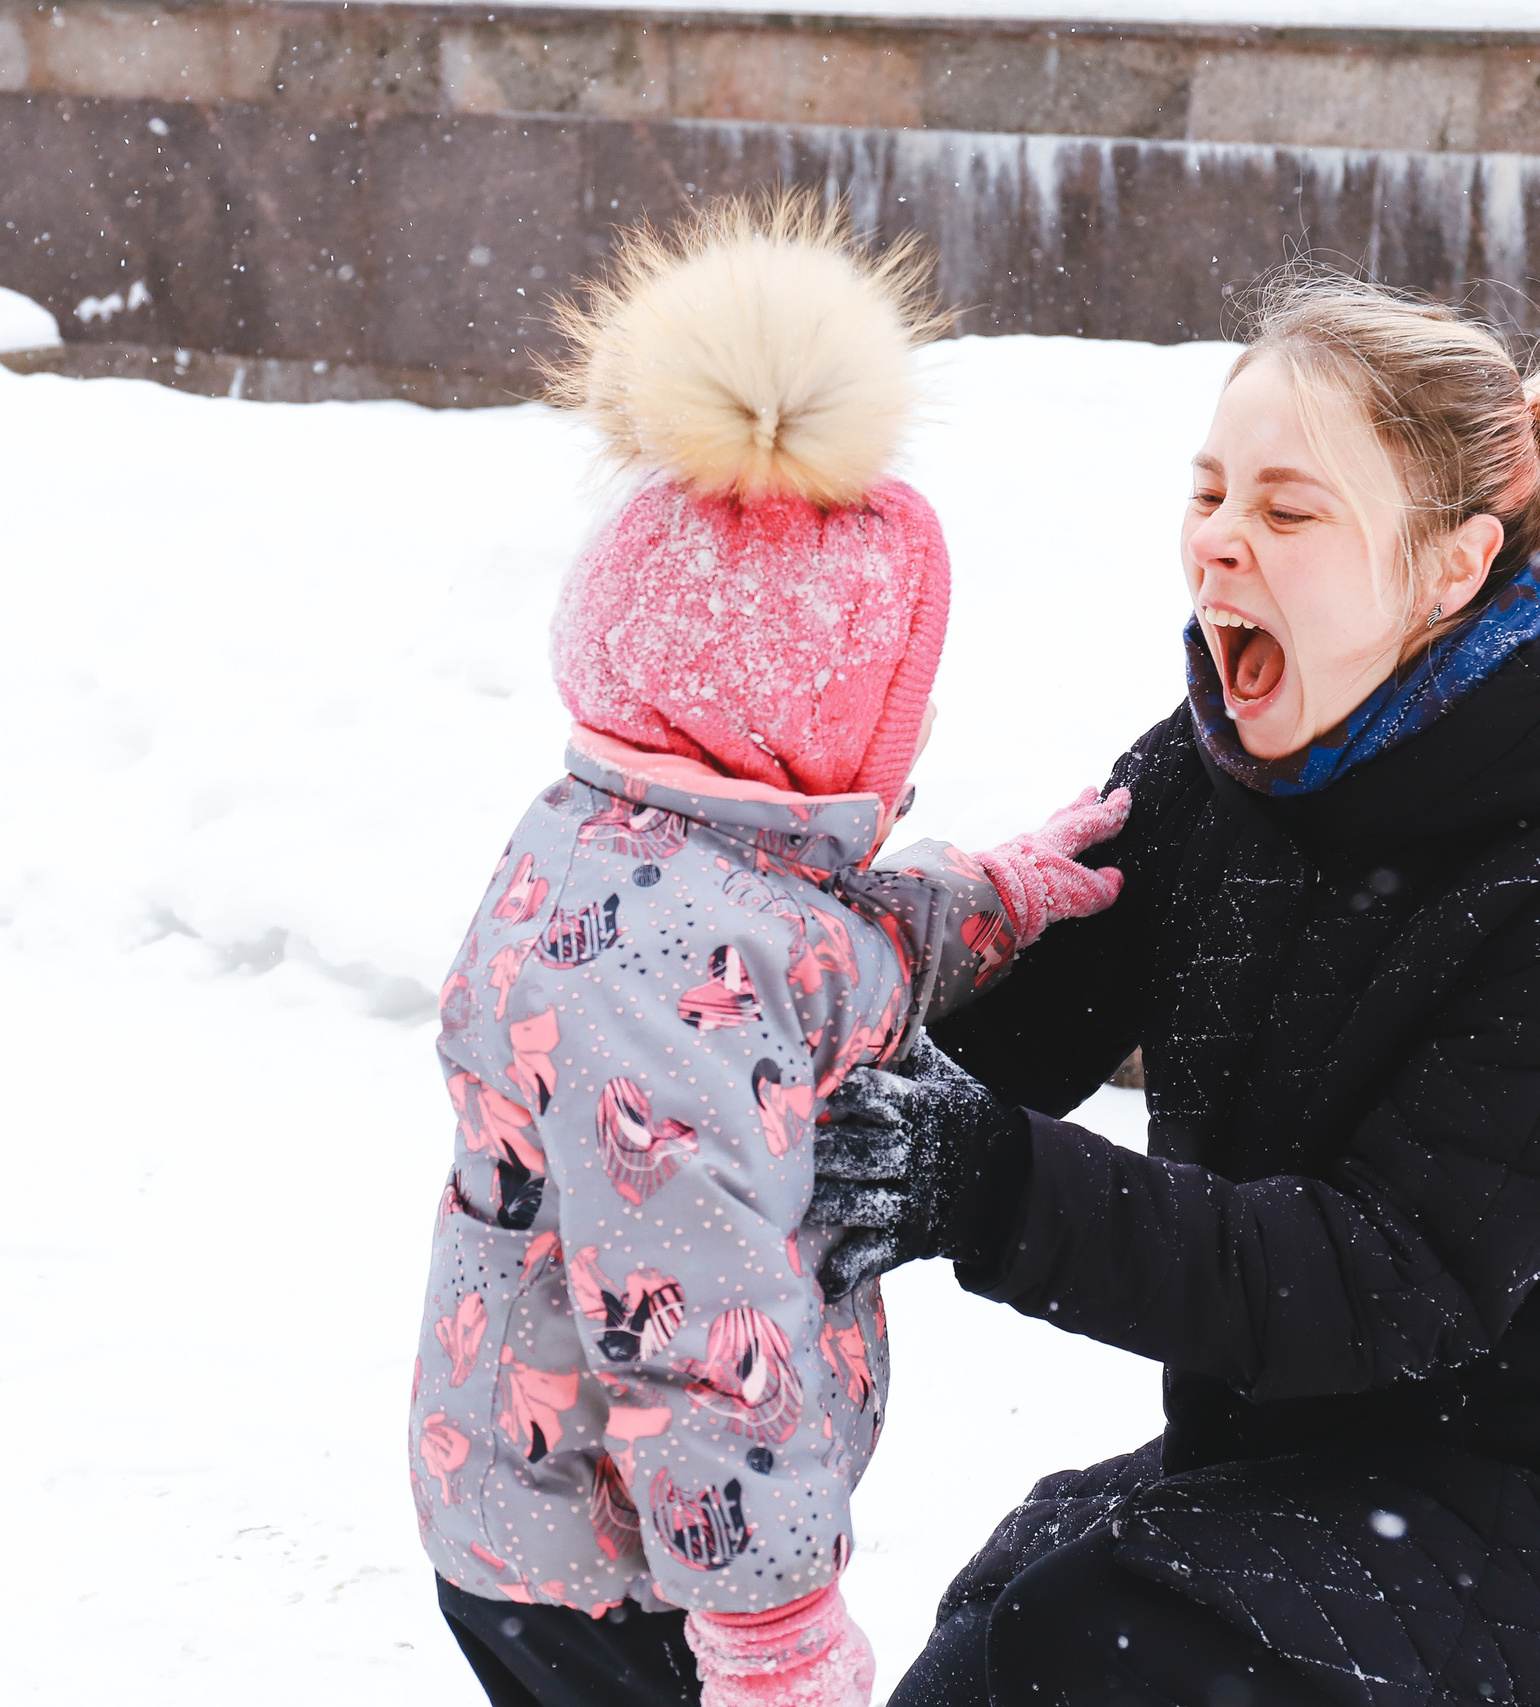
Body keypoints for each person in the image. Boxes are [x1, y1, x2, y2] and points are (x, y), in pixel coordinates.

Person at [807, 270, 1540, 1706]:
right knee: (1012, 1608)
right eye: (1208, 493)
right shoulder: (1221, 765)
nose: (1217, 543)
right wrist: (794, 994)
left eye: (1286, 511)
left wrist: (988, 1185)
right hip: (1315, 1448)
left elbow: (1390, 1279)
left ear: (1451, 566)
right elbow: (1022, 1034)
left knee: (1082, 1649)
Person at [408, 197, 1130, 1707]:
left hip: (587, 1524)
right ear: (801, 716)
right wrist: (772, 1625)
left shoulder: (652, 850)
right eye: (898, 712)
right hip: (612, 1563)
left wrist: (991, 893)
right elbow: (699, 1323)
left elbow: (808, 957)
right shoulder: (656, 979)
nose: (913, 748)